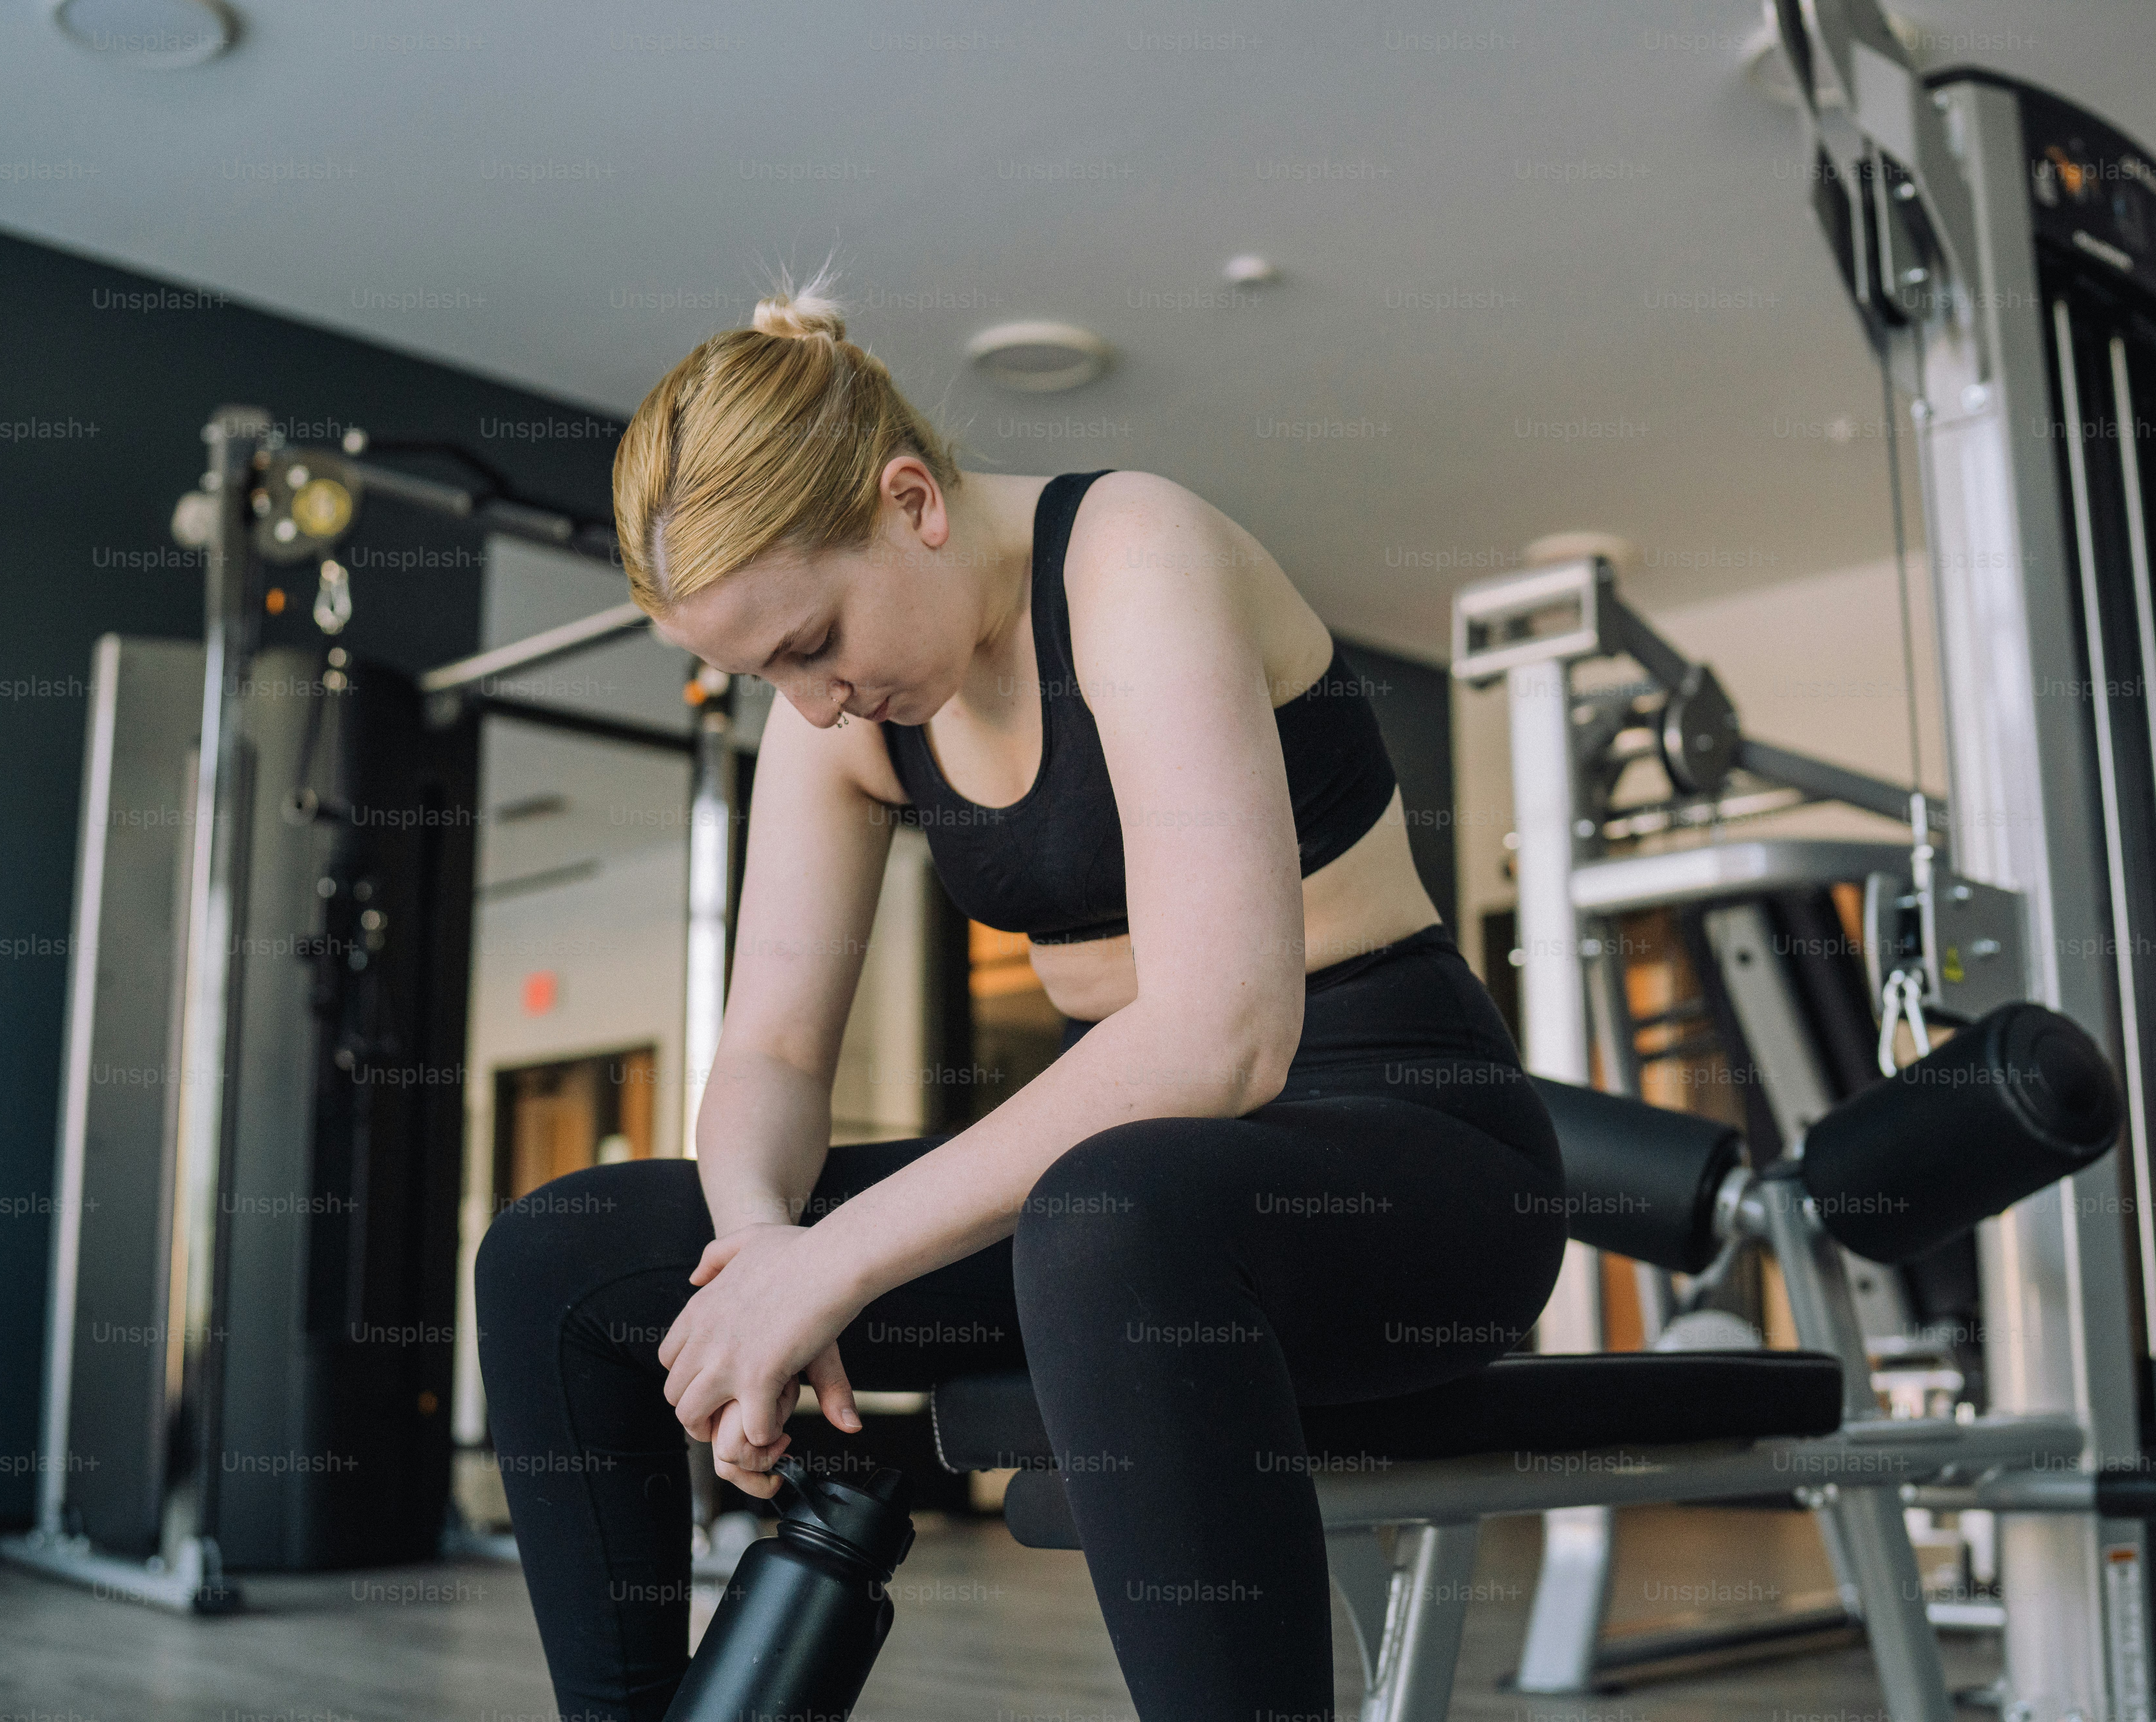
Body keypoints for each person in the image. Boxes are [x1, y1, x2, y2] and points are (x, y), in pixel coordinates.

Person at [474, 280, 1566, 1722]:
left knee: (1109, 1215)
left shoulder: (1132, 559)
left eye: (809, 645)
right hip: (1136, 1199)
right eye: (759, 677)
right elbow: (773, 1050)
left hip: (1406, 1158)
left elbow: (1216, 1035)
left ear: (911, 501)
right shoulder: (846, 718)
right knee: (564, 1262)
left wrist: (836, 1260)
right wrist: (756, 1257)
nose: (806, 705)